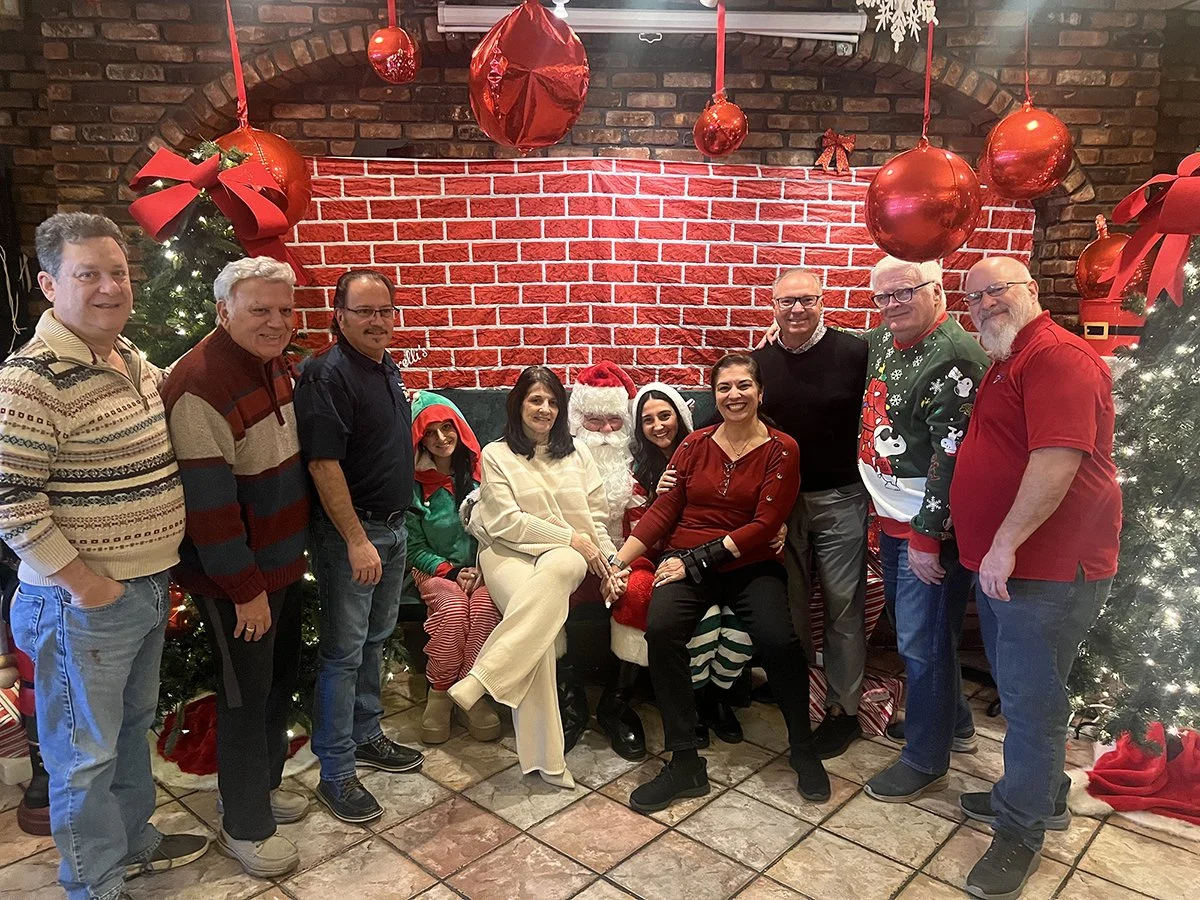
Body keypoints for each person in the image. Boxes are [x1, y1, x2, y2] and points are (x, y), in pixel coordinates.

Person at [0, 212, 209, 900]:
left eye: (117, 272)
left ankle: (133, 840)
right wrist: (84, 584)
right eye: (87, 274)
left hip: (143, 586)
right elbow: (9, 499)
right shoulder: (29, 381)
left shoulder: (127, 358)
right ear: (48, 284)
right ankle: (92, 881)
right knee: (83, 754)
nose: (110, 287)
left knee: (128, 730)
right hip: (81, 602)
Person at [951, 257, 1122, 900]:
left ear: (1031, 290)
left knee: (1030, 705)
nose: (984, 304)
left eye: (996, 290)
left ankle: (1020, 833)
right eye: (973, 297)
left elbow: (1056, 460)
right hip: (1013, 569)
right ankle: (1038, 795)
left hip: (1045, 570)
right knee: (1029, 693)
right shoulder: (1010, 357)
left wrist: (1003, 546)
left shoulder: (1057, 357)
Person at [613, 354, 828, 813]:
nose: (734, 395)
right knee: (662, 631)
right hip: (685, 558)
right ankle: (685, 762)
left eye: (743, 385)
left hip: (749, 564)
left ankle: (803, 748)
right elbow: (664, 511)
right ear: (714, 395)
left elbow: (765, 524)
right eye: (724, 387)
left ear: (760, 392)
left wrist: (694, 561)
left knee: (780, 641)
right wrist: (618, 561)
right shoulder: (694, 445)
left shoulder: (782, 449)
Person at [161, 257, 311, 878]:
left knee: (275, 684)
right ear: (224, 311)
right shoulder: (200, 385)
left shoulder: (270, 362)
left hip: (281, 562)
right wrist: (245, 588)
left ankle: (261, 789)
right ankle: (244, 825)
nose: (276, 321)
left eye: (284, 310)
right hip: (238, 579)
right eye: (259, 310)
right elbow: (209, 508)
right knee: (245, 698)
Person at [294, 269, 425, 824]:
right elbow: (322, 465)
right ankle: (336, 771)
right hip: (356, 535)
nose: (377, 321)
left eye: (385, 311)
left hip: (392, 529)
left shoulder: (383, 366)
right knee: (343, 653)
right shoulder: (327, 374)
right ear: (339, 316)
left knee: (373, 642)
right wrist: (355, 540)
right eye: (364, 311)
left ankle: (367, 734)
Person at [858, 256, 989, 804]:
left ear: (937, 291)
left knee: (923, 642)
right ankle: (954, 723)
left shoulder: (954, 357)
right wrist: (789, 330)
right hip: (895, 520)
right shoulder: (888, 340)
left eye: (904, 293)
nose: (892, 306)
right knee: (921, 632)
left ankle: (925, 758)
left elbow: (950, 456)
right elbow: (850, 341)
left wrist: (927, 537)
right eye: (882, 297)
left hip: (928, 528)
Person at [452, 366, 617, 788]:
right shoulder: (496, 454)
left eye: (552, 402)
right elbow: (505, 523)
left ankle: (484, 676)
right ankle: (548, 762)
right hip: (507, 552)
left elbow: (597, 519)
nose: (545, 409)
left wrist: (608, 559)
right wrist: (571, 537)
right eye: (535, 400)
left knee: (562, 567)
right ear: (518, 404)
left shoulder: (579, 454)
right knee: (538, 634)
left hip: (566, 555)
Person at [753, 267, 871, 759]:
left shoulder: (856, 352)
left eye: (807, 299)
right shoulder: (760, 360)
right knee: (792, 605)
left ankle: (844, 710)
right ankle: (796, 690)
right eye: (787, 301)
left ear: (824, 302)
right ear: (773, 306)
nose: (797, 309)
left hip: (841, 498)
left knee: (843, 607)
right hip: (782, 503)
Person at [620, 382, 757, 747]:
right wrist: (658, 498)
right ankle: (694, 701)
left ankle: (718, 696)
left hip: (723, 556)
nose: (658, 426)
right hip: (672, 560)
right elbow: (645, 535)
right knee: (706, 622)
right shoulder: (638, 472)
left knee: (740, 626)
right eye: (648, 420)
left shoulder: (711, 450)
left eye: (665, 416)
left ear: (680, 417)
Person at [404, 389, 501, 745]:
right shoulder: (413, 485)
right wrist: (450, 571)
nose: (442, 438)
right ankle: (441, 691)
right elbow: (414, 547)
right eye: (431, 432)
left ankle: (470, 690)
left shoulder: (484, 473)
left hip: (485, 567)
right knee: (455, 608)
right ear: (420, 439)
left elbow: (502, 526)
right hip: (435, 569)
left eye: (447, 427)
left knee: (486, 607)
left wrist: (483, 568)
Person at [564, 361, 647, 760]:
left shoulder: (639, 460)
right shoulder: (559, 458)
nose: (605, 432)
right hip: (572, 554)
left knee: (641, 592)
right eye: (594, 421)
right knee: (547, 589)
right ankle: (568, 699)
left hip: (630, 553)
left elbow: (647, 521)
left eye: (614, 421)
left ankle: (616, 703)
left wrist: (621, 564)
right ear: (577, 421)